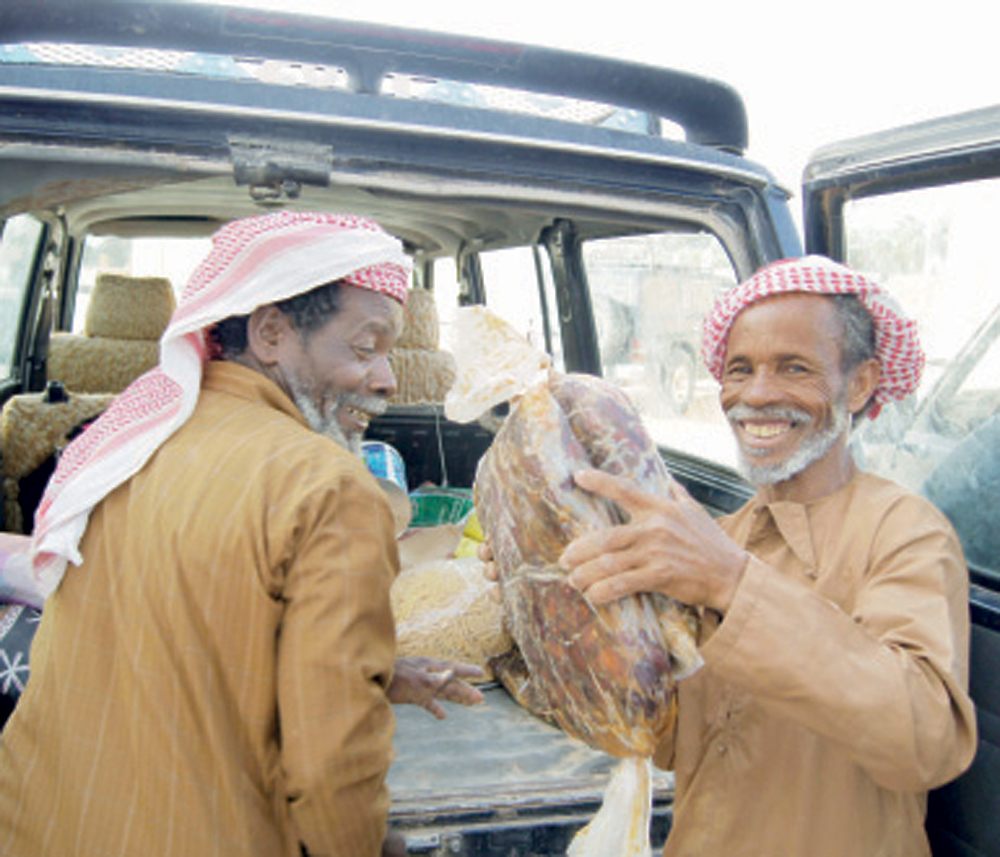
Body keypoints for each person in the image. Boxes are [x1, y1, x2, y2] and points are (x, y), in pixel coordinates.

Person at [0, 211, 482, 857]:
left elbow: (181, 628)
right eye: (366, 347)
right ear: (272, 331)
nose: (388, 378)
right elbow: (332, 764)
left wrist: (372, 674)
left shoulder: (128, 445)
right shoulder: (329, 488)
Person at [499, 256, 978, 855]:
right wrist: (542, 598)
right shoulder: (714, 536)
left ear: (859, 384)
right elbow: (664, 736)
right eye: (740, 369)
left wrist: (730, 582)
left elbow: (924, 740)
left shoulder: (904, 532)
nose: (756, 395)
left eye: (794, 368)